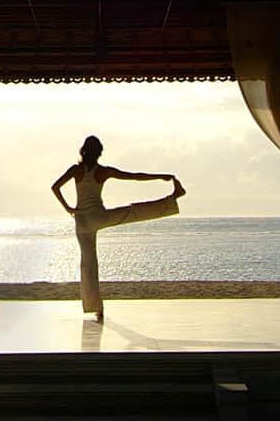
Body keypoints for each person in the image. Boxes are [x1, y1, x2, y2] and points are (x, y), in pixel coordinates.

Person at [50, 135, 184, 321]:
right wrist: (161, 176)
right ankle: (172, 199)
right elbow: (134, 177)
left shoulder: (75, 170)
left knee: (88, 265)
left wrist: (68, 208)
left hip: (81, 221)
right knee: (131, 212)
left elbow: (55, 187)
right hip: (99, 217)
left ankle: (96, 308)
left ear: (83, 150)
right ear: (99, 153)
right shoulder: (103, 171)